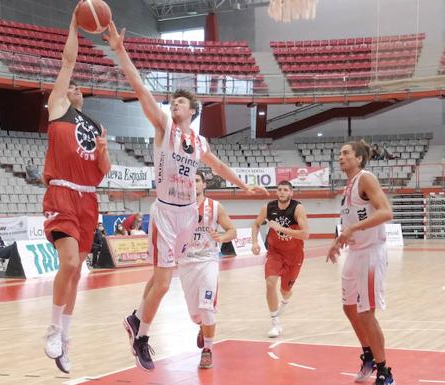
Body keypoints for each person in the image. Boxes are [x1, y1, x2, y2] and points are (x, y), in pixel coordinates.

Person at [105, 22, 268, 371]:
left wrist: (243, 185)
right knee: (163, 282)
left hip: (186, 216)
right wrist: (120, 50)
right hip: (165, 212)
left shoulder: (199, 142)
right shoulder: (163, 128)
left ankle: (135, 319)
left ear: (192, 111)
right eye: (173, 102)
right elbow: (140, 88)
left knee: (159, 279)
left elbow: (220, 167)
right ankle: (142, 336)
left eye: (180, 103)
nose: (174, 106)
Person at [42, 6, 111, 374]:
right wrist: (74, 21)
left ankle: (65, 338)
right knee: (68, 263)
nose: (73, 86)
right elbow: (69, 59)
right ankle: (52, 329)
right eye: (69, 85)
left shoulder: (94, 124)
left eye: (76, 87)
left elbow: (105, 170)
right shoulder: (57, 109)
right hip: (63, 193)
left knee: (78, 272)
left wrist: (103, 154)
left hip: (89, 197)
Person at [327, 140, 395, 385]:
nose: (341, 157)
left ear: (359, 158)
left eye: (345, 153)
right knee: (349, 307)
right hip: (354, 254)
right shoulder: (348, 187)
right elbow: (348, 224)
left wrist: (353, 228)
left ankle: (385, 371)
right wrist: (337, 242)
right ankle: (367, 354)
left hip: (371, 254)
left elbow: (386, 212)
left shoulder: (366, 178)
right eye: (340, 153)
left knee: (366, 313)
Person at [178, 171, 237, 369]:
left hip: (207, 261)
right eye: (189, 181)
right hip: (186, 263)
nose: (192, 184)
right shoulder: (177, 207)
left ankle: (208, 350)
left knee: (207, 308)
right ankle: (202, 327)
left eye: (196, 181)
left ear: (203, 185)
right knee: (195, 315)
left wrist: (221, 237)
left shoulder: (215, 206)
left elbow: (232, 231)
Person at [251, 180, 309, 338]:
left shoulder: (298, 208)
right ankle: (275, 322)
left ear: (291, 193)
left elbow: (305, 234)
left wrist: (281, 228)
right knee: (270, 282)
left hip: (294, 255)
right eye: (279, 189)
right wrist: (255, 242)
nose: (282, 192)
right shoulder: (268, 208)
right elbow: (256, 224)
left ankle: (285, 300)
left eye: (285, 190)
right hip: (275, 252)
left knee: (285, 290)